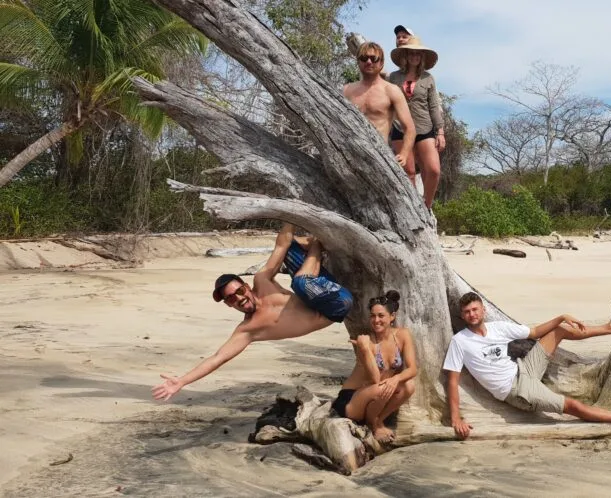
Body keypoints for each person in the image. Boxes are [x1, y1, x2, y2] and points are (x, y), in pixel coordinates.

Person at [152, 223, 354, 402]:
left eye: (239, 291)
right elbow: (218, 357)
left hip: (325, 288)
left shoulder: (263, 281)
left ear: (247, 286)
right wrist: (181, 381)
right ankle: (317, 245)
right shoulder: (248, 330)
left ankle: (319, 243)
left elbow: (281, 246)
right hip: (336, 306)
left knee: (290, 246)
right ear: (228, 305)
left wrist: (289, 217)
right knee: (301, 281)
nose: (238, 298)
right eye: (230, 298)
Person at [443, 293, 611, 439]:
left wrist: (561, 317)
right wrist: (455, 418)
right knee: (572, 407)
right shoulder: (460, 341)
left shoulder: (498, 328)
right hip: (518, 390)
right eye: (467, 312)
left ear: (483, 310)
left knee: (561, 329)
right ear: (462, 316)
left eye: (475, 310)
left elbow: (535, 333)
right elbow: (452, 382)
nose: (472, 315)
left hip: (524, 368)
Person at [331, 290, 418, 443]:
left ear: (392, 317)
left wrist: (395, 379)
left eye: (381, 315)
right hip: (352, 401)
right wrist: (364, 349)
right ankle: (374, 425)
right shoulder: (367, 342)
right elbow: (375, 378)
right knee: (382, 387)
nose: (376, 320)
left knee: (409, 386)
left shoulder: (402, 335)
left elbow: (412, 369)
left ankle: (378, 420)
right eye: (372, 315)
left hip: (377, 396)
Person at [388, 36, 445, 209]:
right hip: (401, 129)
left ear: (422, 57)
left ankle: (426, 206)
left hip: (424, 128)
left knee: (434, 170)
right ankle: (414, 208)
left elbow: (434, 105)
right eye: (411, 53)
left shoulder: (428, 78)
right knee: (409, 172)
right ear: (405, 55)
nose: (414, 56)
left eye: (418, 54)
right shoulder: (393, 77)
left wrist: (440, 132)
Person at [342, 41, 416, 169]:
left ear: (381, 63)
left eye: (374, 58)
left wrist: (403, 154)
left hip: (379, 156)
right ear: (358, 62)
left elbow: (410, 128)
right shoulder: (347, 90)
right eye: (364, 58)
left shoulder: (391, 90)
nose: (369, 62)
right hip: (349, 155)